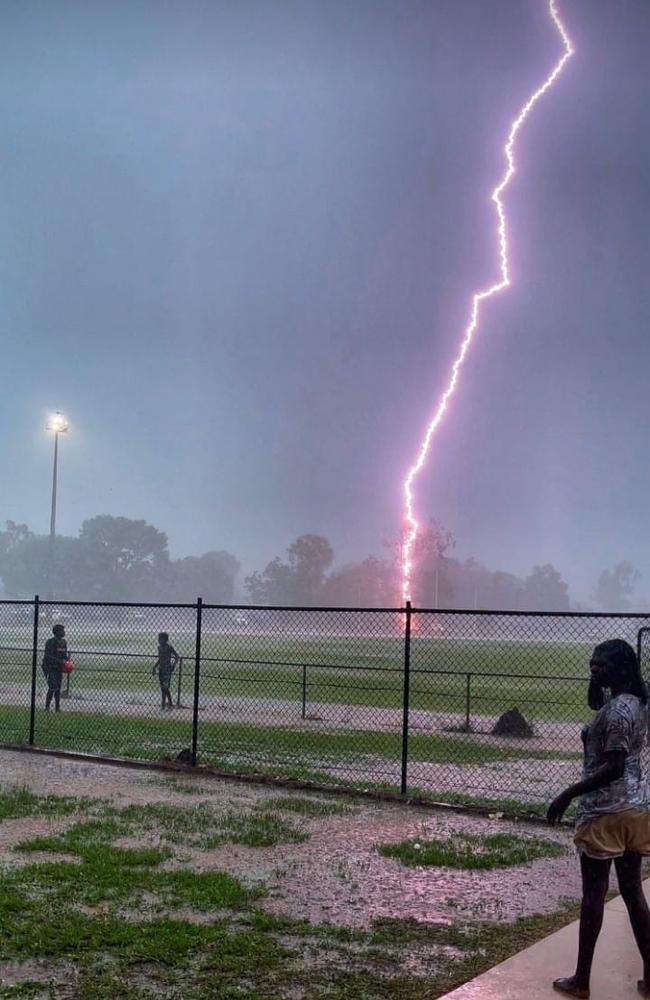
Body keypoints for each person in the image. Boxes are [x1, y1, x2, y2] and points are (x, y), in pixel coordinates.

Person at [547, 638, 650, 998]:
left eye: (601, 665)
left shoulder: (619, 712)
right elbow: (604, 718)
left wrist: (567, 793)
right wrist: (597, 690)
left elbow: (615, 766)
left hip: (605, 813)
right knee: (633, 891)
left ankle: (581, 980)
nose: (594, 668)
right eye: (592, 663)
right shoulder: (636, 700)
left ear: (621, 668)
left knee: (593, 896)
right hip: (635, 809)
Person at [42, 623, 68, 712]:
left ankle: (57, 708)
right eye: (62, 631)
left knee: (58, 687)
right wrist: (60, 661)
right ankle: (47, 707)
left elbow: (64, 655)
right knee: (53, 686)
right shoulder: (50, 642)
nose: (64, 632)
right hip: (49, 667)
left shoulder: (63, 642)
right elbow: (48, 656)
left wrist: (68, 660)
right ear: (57, 632)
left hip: (58, 668)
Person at [153, 632, 178, 711]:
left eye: (160, 639)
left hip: (167, 669)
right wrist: (155, 667)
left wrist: (173, 666)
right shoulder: (159, 647)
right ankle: (166, 704)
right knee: (162, 688)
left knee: (165, 687)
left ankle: (166, 704)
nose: (159, 640)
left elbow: (177, 657)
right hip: (161, 669)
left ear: (165, 639)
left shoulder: (169, 647)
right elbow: (160, 659)